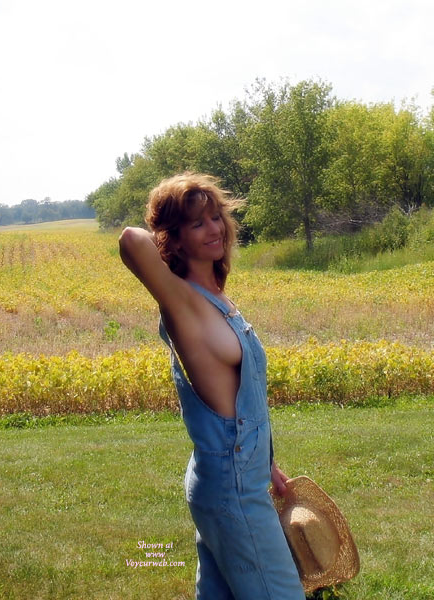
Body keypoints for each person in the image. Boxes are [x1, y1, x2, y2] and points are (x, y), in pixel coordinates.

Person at [119, 172, 305, 599]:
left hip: (234, 475)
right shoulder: (181, 300)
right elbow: (131, 240)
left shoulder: (219, 299)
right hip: (231, 485)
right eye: (197, 223)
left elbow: (242, 396)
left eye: (216, 217)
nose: (214, 229)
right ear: (175, 239)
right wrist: (165, 223)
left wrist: (266, 464)